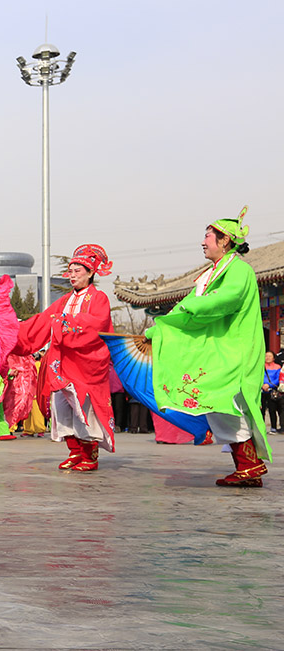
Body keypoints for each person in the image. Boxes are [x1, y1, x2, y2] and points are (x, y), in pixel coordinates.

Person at [148, 209, 270, 487]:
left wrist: (190, 306)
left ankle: (250, 464)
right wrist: (158, 329)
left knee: (223, 403)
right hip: (219, 350)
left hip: (234, 350)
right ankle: (247, 467)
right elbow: (185, 306)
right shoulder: (212, 273)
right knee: (218, 404)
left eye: (207, 236)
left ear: (224, 240)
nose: (203, 242)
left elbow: (226, 298)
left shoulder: (239, 269)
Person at [12, 244, 115, 472]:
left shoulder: (99, 299)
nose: (72, 274)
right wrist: (14, 332)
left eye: (78, 270)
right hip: (61, 363)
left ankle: (90, 455)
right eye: (70, 270)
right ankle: (75, 452)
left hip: (85, 364)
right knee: (62, 406)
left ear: (90, 273)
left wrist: (65, 323)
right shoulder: (64, 301)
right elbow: (41, 322)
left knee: (84, 407)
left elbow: (98, 325)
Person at [262, 352, 282, 435]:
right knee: (261, 410)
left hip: (272, 391)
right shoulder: (261, 367)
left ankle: (273, 427)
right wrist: (262, 385)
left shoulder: (277, 367)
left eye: (270, 356)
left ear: (274, 358)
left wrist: (269, 385)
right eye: (266, 356)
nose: (267, 357)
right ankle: (261, 427)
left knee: (272, 410)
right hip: (262, 390)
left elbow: (278, 379)